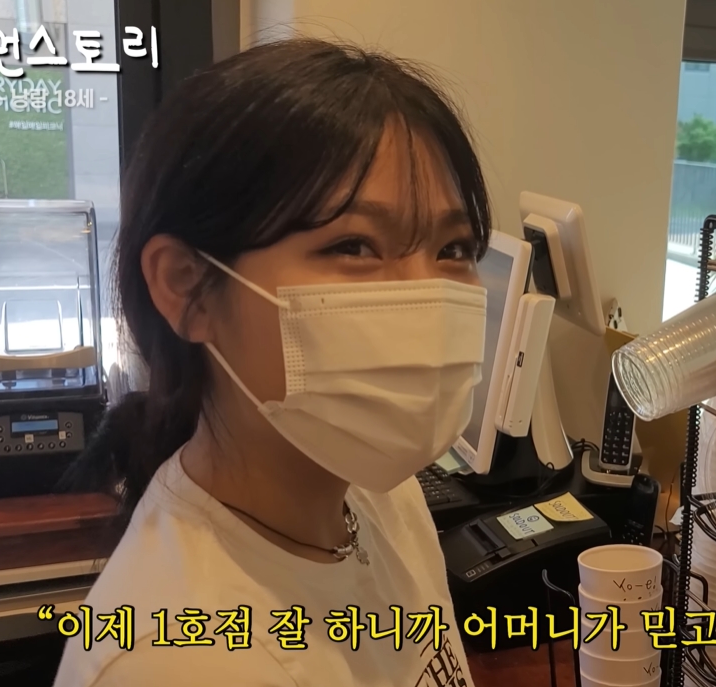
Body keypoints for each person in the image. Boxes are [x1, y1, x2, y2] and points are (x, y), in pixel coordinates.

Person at [55, 38, 490, 687]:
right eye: (354, 245)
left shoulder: (380, 495)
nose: (423, 293)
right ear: (188, 286)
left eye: (453, 247)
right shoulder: (176, 661)